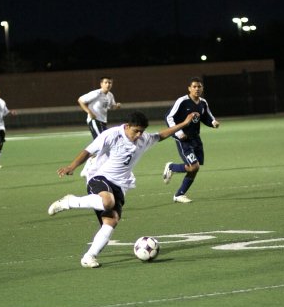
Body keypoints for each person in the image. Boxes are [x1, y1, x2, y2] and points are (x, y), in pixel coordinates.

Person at [48, 109, 196, 268]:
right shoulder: (112, 135)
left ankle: (89, 256)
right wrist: (72, 166)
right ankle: (69, 201)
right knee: (107, 201)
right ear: (127, 126)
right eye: (136, 131)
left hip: (121, 185)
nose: (139, 135)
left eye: (142, 131)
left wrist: (184, 123)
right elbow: (88, 151)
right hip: (99, 177)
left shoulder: (143, 139)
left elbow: (160, 135)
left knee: (111, 221)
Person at [162, 76, 219, 203]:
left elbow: (207, 116)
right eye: (194, 86)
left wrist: (213, 122)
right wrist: (179, 132)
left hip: (196, 138)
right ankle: (171, 167)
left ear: (202, 88)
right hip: (183, 139)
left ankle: (179, 194)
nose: (197, 89)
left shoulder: (203, 102)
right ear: (189, 88)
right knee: (194, 166)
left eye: (199, 86)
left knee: (194, 168)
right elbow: (168, 117)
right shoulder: (182, 101)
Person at [77, 76, 121, 176]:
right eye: (106, 82)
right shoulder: (96, 93)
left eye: (110, 83)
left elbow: (111, 106)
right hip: (94, 121)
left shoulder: (110, 95)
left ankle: (90, 166)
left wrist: (116, 106)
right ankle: (88, 168)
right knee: (102, 144)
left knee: (102, 144)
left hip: (103, 122)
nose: (108, 84)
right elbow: (80, 100)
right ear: (101, 84)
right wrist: (89, 112)